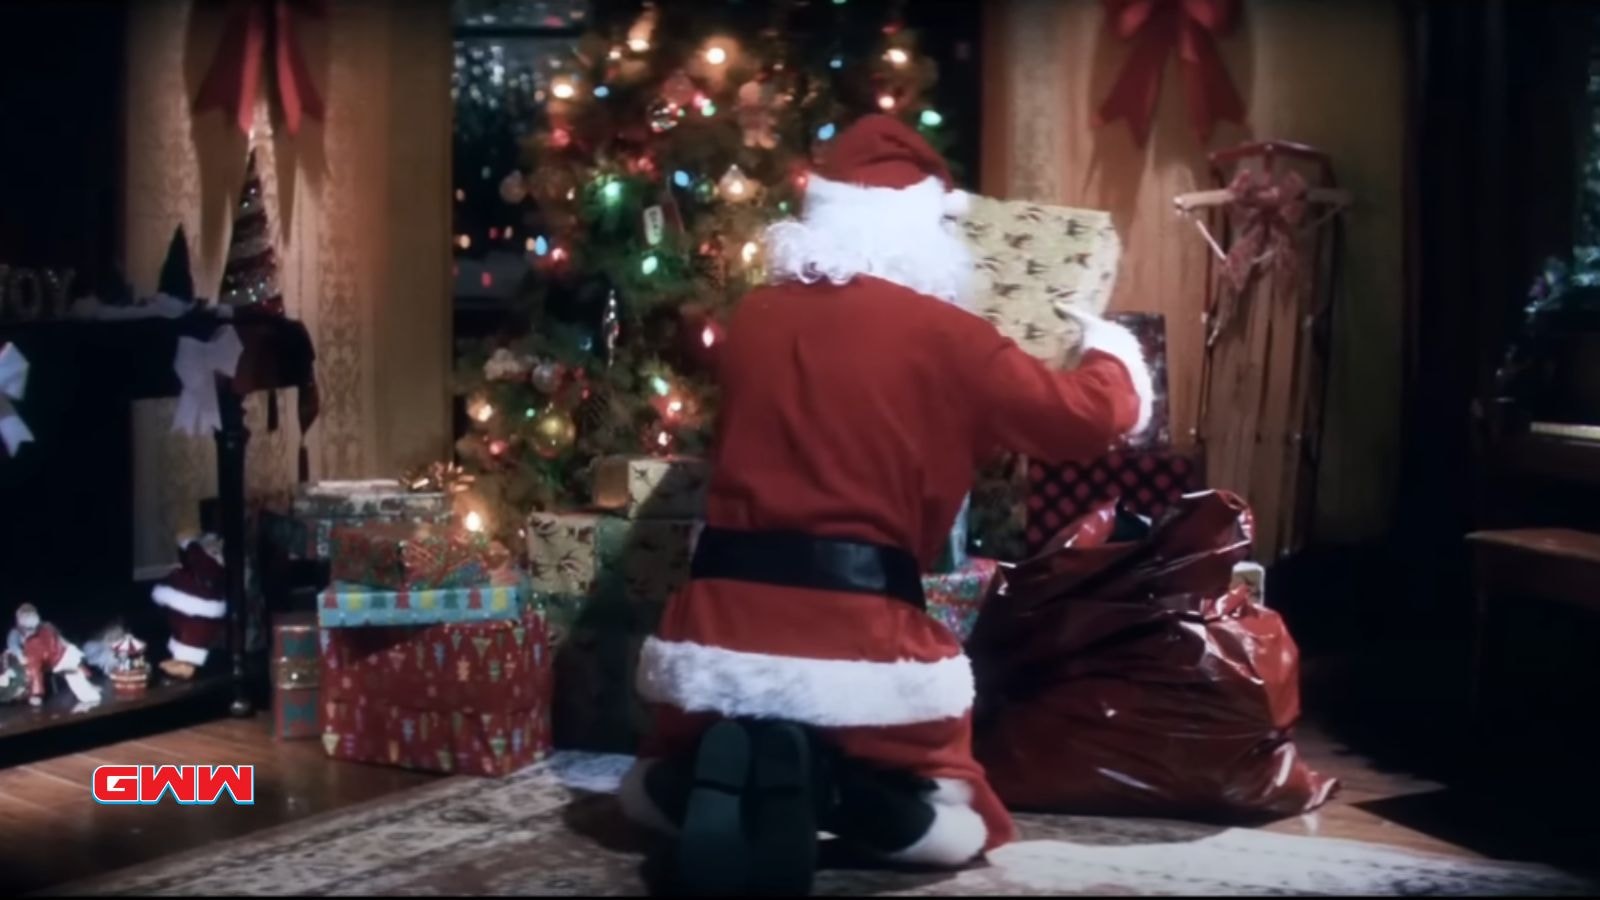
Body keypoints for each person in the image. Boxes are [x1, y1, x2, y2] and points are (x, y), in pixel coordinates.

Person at [618, 114, 1153, 895]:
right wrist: (1112, 351)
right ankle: (838, 785)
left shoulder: (754, 322)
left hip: (717, 623)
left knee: (651, 778)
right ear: (927, 233)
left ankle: (706, 769)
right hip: (864, 632)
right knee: (957, 816)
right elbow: (1081, 420)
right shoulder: (950, 336)